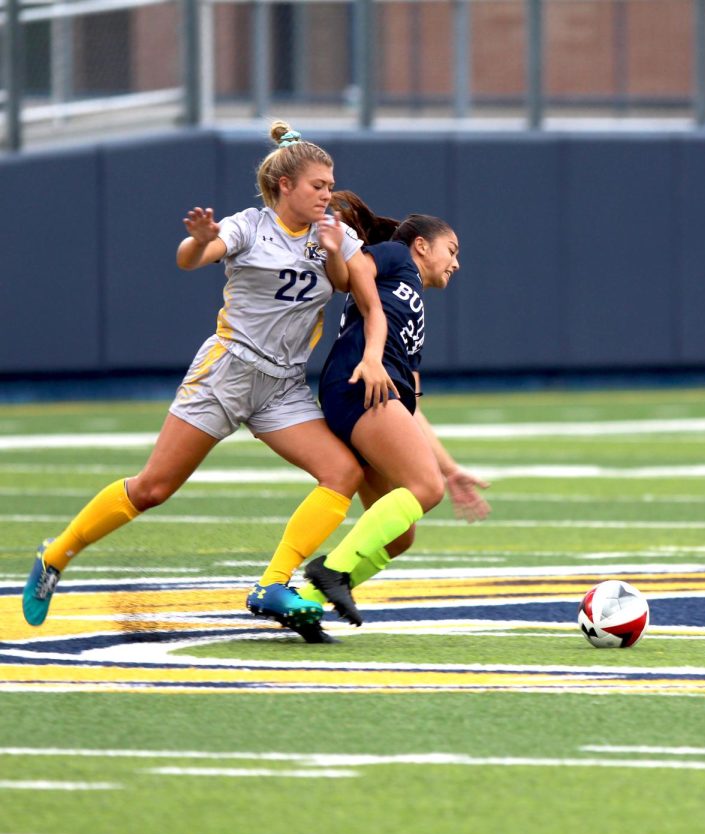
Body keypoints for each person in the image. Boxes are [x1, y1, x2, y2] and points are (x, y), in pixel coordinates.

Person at [22, 123, 395, 639]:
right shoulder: (249, 225)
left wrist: (372, 352)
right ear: (285, 186)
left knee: (342, 474)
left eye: (330, 184)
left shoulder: (335, 234)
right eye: (318, 185)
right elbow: (191, 257)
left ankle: (272, 583)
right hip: (227, 373)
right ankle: (55, 556)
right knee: (153, 488)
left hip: (283, 385)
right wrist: (198, 241)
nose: (328, 194)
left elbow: (365, 302)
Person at [283, 191, 491, 641]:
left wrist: (450, 468)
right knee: (423, 488)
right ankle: (332, 570)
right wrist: (337, 250)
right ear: (421, 245)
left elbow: (412, 408)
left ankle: (307, 607)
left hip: (374, 397)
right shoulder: (396, 257)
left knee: (399, 537)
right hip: (360, 384)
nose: (456, 263)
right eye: (451, 250)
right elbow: (353, 272)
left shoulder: (412, 307)